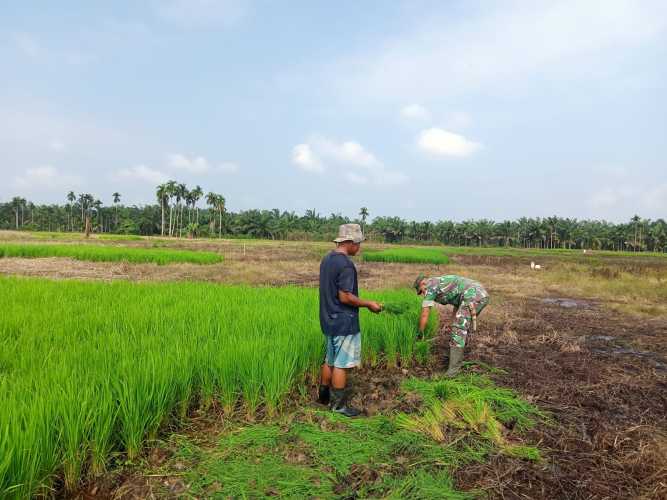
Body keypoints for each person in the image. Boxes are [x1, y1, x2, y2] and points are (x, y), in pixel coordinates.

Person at [318, 223, 382, 417]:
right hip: (344, 321)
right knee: (341, 364)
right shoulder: (345, 264)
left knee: (329, 360)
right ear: (350, 242)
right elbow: (345, 297)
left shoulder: (327, 259)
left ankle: (323, 397)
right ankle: (338, 406)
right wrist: (369, 303)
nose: (359, 247)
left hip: (328, 319)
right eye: (358, 243)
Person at [414, 274, 490, 377]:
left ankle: (452, 372)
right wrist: (453, 323)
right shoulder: (439, 282)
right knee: (459, 327)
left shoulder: (431, 286)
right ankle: (456, 360)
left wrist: (420, 332)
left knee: (459, 329)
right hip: (478, 294)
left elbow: (424, 314)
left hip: (474, 295)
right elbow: (458, 302)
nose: (423, 294)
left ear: (423, 283)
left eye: (421, 291)